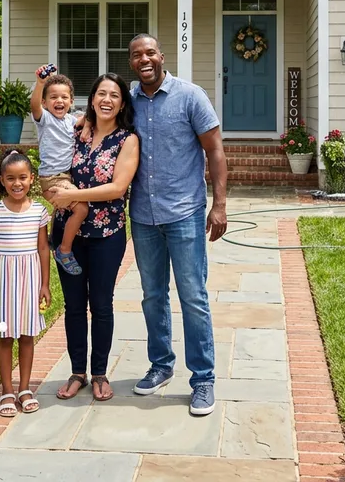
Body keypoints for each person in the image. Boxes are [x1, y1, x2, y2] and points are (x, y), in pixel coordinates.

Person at [126, 33, 228, 417]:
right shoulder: (128, 102)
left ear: (162, 56)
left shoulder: (190, 95)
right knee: (153, 296)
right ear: (132, 62)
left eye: (150, 52)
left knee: (193, 297)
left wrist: (219, 205)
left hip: (185, 213)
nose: (144, 59)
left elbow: (215, 150)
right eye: (137, 55)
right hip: (143, 216)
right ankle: (161, 365)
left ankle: (203, 379)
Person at [47, 73, 140, 403]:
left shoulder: (127, 140)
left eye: (114, 95)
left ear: (122, 103)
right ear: (92, 98)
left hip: (106, 235)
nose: (107, 100)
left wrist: (76, 193)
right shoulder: (75, 132)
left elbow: (117, 188)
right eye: (101, 93)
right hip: (66, 234)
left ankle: (99, 373)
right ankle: (77, 373)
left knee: (101, 305)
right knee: (73, 306)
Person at [0, 149, 51, 417]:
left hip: (30, 281)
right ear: (1, 180)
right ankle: (7, 391)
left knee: (28, 335)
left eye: (22, 177)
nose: (17, 183)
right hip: (4, 282)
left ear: (32, 178)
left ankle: (25, 388)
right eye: (10, 178)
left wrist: (45, 284)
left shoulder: (39, 212)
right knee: (7, 335)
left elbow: (44, 249)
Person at [31, 67, 87, 276]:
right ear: (45, 102)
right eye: (53, 97)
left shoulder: (72, 121)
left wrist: (88, 122)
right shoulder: (45, 120)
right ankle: (64, 250)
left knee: (67, 210)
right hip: (52, 178)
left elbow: (88, 117)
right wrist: (39, 84)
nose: (59, 101)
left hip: (66, 177)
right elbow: (34, 105)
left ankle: (54, 237)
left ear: (71, 101)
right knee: (81, 208)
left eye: (64, 97)